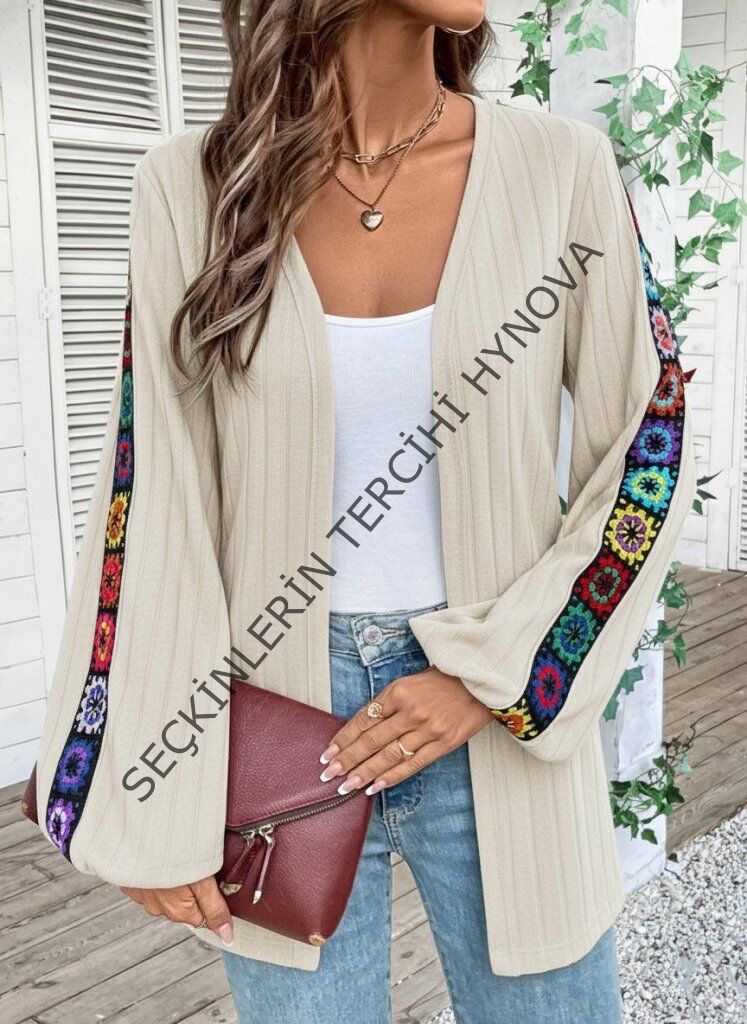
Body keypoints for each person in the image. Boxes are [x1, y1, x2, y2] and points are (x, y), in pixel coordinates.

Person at [33, 1, 697, 1021]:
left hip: (494, 708)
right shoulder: (190, 187)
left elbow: (649, 443)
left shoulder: (563, 170)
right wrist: (142, 795)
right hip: (269, 722)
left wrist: (495, 673)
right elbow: (151, 496)